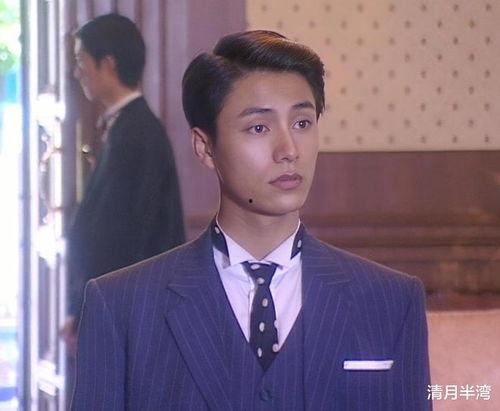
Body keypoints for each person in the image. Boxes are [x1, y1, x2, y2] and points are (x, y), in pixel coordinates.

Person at [71, 30, 431, 410]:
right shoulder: (121, 306)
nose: (288, 150)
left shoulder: (390, 300)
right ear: (205, 147)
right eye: (259, 128)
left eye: (302, 123)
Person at [62, 14, 185, 353]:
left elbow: (120, 236)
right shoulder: (127, 128)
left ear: (108, 64)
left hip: (128, 311)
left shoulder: (136, 135)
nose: (77, 73)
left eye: (81, 61)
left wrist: (85, 308)